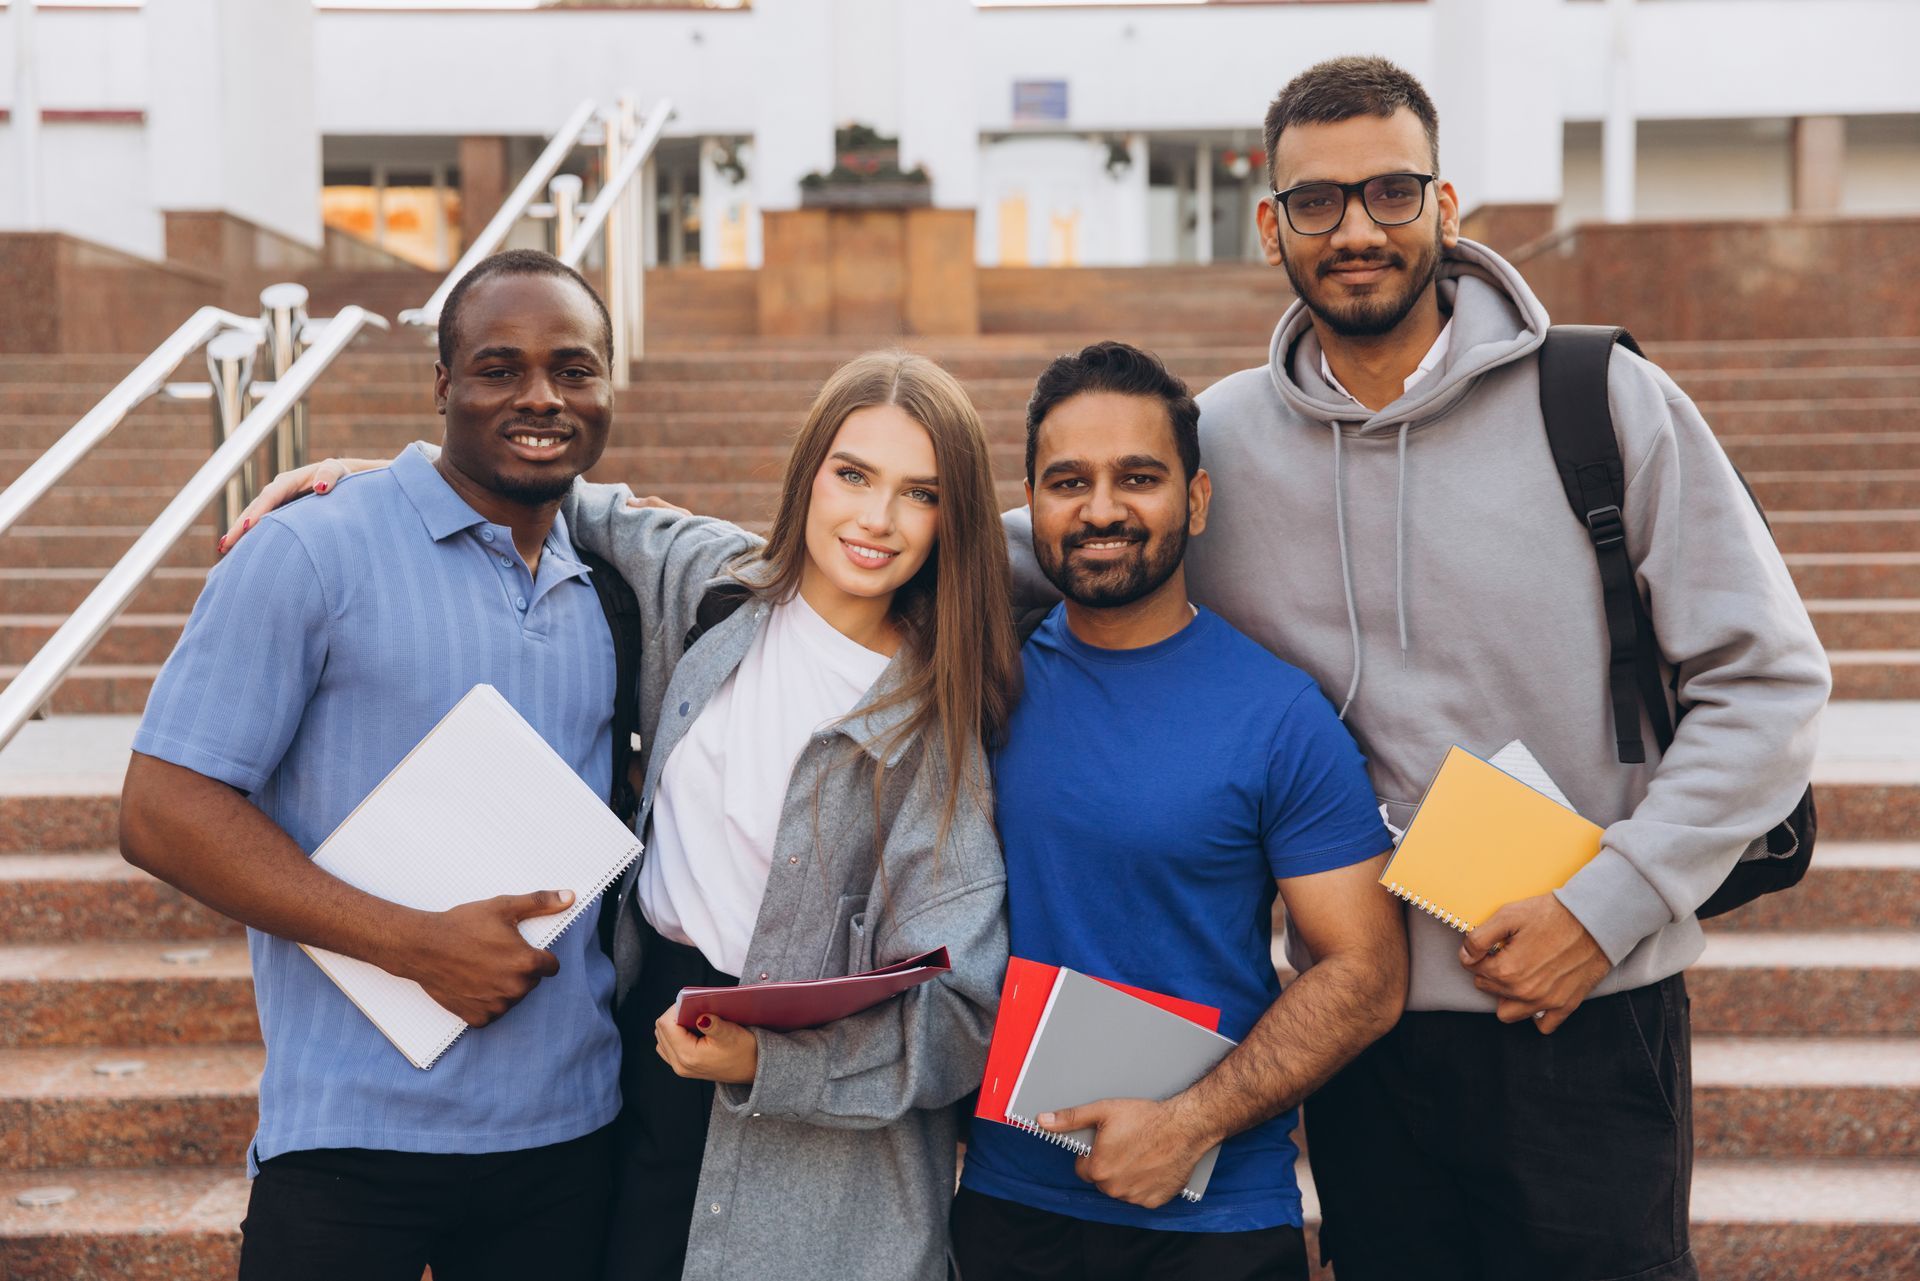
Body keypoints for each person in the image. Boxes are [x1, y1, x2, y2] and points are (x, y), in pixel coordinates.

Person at [1004, 57, 1830, 1281]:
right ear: (1272, 224)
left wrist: (1606, 911)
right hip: (1363, 1041)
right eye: (1319, 202)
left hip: (1581, 1010)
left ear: (1447, 210)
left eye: (1391, 192)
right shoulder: (1220, 438)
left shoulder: (1601, 401)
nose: (1357, 229)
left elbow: (1770, 685)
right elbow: (1036, 544)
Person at [227, 350, 1020, 1281]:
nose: (876, 519)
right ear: (809, 474)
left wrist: (769, 1064)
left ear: (951, 516)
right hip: (644, 1066)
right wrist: (386, 477)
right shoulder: (710, 587)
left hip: (829, 1158)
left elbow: (964, 1016)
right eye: (853, 475)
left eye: (918, 493)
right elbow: (562, 490)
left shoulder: (937, 720)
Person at [119, 249, 742, 1280]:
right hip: (351, 1144)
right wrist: (411, 944)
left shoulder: (609, 586)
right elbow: (162, 809)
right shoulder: (311, 550)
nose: (541, 396)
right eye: (499, 368)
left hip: (569, 1140)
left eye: (574, 369)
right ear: (442, 386)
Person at [953, 342, 1405, 1281]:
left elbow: (1366, 971)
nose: (1103, 509)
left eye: (1140, 478)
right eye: (1067, 480)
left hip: (1215, 1217)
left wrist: (1186, 1123)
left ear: (1195, 501)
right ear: (1029, 503)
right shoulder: (979, 687)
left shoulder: (1280, 714)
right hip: (1006, 1203)